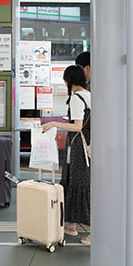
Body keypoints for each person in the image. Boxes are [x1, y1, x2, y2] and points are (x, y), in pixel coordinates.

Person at [42, 65, 91, 246]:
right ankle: (70, 225)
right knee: (74, 182)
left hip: (78, 146)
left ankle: (87, 229)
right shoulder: (88, 95)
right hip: (83, 145)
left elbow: (77, 126)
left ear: (69, 80)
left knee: (77, 184)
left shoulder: (77, 99)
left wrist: (54, 123)